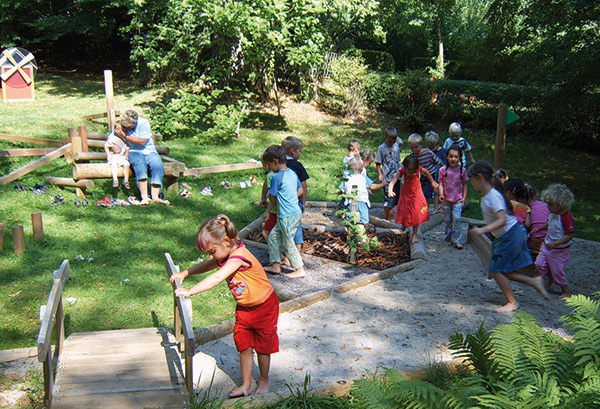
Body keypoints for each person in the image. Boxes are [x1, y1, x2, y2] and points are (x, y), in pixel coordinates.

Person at [170, 215, 279, 398]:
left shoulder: (239, 257)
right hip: (244, 308)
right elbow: (208, 265)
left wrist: (190, 291)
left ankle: (264, 380)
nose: (211, 256)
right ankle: (245, 384)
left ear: (227, 242)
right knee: (243, 344)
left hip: (264, 307)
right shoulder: (225, 254)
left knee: (263, 346)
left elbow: (217, 277)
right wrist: (185, 273)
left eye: (212, 251)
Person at [468, 160, 548, 312]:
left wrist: (482, 230)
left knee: (497, 270)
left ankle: (512, 302)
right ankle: (534, 281)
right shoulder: (488, 195)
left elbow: (502, 220)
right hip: (505, 236)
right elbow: (494, 218)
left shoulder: (493, 196)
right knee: (500, 270)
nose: (470, 183)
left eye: (471, 179)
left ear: (479, 177)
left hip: (509, 235)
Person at [261, 145, 305, 278]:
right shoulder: (291, 173)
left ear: (275, 161)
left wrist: (267, 211)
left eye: (268, 164)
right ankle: (275, 265)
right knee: (274, 237)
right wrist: (290, 196)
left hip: (287, 215)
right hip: (291, 212)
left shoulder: (276, 177)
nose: (269, 168)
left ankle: (299, 269)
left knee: (287, 242)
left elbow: (272, 198)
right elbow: (300, 190)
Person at [116, 109, 170, 206]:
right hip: (133, 151)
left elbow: (142, 142)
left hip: (149, 150)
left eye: (130, 126)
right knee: (140, 164)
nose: (128, 128)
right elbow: (112, 138)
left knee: (157, 165)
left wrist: (125, 137)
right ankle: (144, 196)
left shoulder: (143, 123)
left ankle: (155, 196)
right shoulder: (121, 125)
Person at [534, 183, 575, 299]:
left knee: (557, 270)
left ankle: (565, 290)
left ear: (561, 205)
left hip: (559, 249)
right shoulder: (553, 213)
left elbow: (570, 234)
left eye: (550, 204)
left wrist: (556, 243)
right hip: (547, 244)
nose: (547, 206)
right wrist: (541, 228)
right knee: (539, 264)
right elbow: (550, 224)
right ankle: (549, 279)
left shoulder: (566, 218)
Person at [388, 155, 438, 244]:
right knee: (405, 212)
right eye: (409, 171)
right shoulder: (402, 171)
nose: (411, 173)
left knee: (416, 215)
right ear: (405, 167)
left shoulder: (418, 169)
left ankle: (414, 235)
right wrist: (390, 190)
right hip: (406, 196)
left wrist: (432, 181)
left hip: (417, 196)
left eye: (413, 172)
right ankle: (404, 225)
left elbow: (426, 172)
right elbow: (393, 181)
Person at [438, 145, 468, 249]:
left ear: (459, 158)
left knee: (457, 219)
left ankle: (457, 240)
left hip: (457, 199)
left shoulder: (462, 170)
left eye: (456, 157)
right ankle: (447, 237)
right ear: (447, 157)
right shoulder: (443, 170)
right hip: (446, 200)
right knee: (448, 220)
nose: (453, 159)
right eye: (451, 156)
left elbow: (465, 184)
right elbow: (441, 184)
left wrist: (464, 197)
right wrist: (441, 194)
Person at [282, 136, 308, 252]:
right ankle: (297, 249)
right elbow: (303, 185)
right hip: (295, 201)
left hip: (282, 200)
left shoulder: (279, 164)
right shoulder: (297, 166)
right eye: (300, 151)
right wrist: (303, 203)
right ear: (293, 151)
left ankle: (284, 248)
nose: (300, 154)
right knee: (296, 225)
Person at [345, 157, 386, 229]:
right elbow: (372, 186)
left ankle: (350, 237)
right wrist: (382, 184)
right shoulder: (363, 177)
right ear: (361, 168)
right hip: (362, 202)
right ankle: (360, 238)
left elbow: (341, 190)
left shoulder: (347, 178)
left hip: (351, 202)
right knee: (361, 222)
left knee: (351, 221)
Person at [408, 133, 444, 213]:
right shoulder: (412, 156)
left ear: (421, 145)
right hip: (420, 176)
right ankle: (423, 208)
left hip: (430, 175)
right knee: (420, 193)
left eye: (416, 147)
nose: (414, 149)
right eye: (411, 148)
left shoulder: (428, 153)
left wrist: (444, 167)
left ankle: (432, 208)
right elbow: (406, 163)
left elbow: (438, 161)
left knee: (430, 192)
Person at [376, 127, 403, 222]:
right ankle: (390, 216)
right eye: (390, 141)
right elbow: (378, 163)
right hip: (387, 177)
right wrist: (380, 174)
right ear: (385, 138)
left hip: (396, 176)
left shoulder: (396, 146)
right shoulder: (381, 148)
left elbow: (398, 159)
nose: (391, 143)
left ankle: (386, 208)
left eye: (393, 141)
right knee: (390, 196)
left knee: (396, 197)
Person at [523, 182, 549, 254]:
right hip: (550, 239)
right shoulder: (545, 205)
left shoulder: (525, 209)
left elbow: (526, 226)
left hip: (536, 243)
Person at [104, 120, 131, 189]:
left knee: (126, 164)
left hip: (122, 156)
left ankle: (126, 180)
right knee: (114, 164)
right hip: (114, 156)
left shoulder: (125, 138)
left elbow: (127, 148)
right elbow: (106, 145)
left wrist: (126, 156)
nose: (120, 132)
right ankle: (115, 179)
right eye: (118, 130)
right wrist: (108, 155)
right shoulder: (112, 138)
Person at [425, 131, 446, 214]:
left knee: (442, 191)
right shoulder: (428, 152)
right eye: (430, 147)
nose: (432, 149)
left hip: (442, 175)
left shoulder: (443, 151)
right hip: (433, 175)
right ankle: (435, 207)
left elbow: (445, 163)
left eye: (434, 147)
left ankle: (443, 206)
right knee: (435, 192)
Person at [339, 139, 362, 209]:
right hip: (352, 181)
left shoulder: (345, 158)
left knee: (344, 196)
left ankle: (341, 209)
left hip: (344, 180)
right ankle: (353, 211)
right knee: (353, 196)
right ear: (355, 149)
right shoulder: (353, 160)